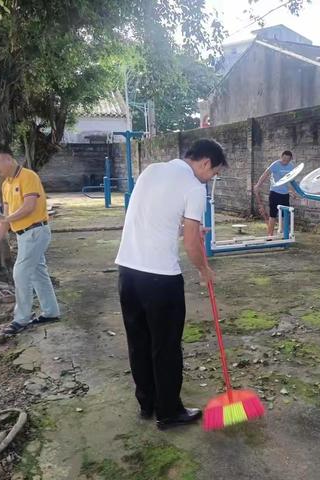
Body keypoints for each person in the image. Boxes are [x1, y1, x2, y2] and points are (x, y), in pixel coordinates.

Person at [115, 138, 227, 430]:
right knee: (165, 346)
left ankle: (147, 403)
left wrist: (184, 227)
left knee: (138, 342)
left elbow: (154, 217)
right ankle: (169, 412)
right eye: (213, 173)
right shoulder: (194, 187)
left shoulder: (152, 170)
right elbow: (192, 243)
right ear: (204, 163)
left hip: (127, 271)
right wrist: (204, 269)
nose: (211, 178)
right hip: (161, 279)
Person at [0, 144, 60, 335]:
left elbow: (29, 207)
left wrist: (5, 219)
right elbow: (6, 217)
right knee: (38, 273)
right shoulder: (5, 185)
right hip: (23, 235)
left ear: (7, 158)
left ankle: (21, 319)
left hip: (36, 232)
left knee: (20, 273)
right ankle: (51, 311)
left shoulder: (28, 176)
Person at [254, 150, 294, 236]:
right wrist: (258, 185)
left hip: (285, 194)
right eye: (284, 159)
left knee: (285, 215)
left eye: (287, 160)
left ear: (290, 160)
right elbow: (265, 174)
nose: (285, 162)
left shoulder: (291, 167)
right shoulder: (275, 164)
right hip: (275, 193)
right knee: (273, 215)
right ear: (281, 157)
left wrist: (293, 191)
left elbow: (292, 181)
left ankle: (284, 235)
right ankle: (270, 235)